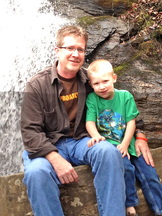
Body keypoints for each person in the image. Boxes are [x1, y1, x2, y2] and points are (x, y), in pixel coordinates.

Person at [21, 25, 156, 216]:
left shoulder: (91, 80)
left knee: (108, 152)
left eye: (80, 49)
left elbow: (122, 103)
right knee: (36, 173)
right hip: (48, 146)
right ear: (57, 50)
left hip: (81, 141)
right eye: (70, 48)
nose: (76, 54)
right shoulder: (37, 85)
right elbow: (29, 132)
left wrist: (140, 135)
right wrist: (55, 158)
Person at [85, 59, 162, 216]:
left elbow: (131, 122)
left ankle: (159, 208)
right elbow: (90, 122)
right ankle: (129, 203)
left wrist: (126, 144)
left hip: (130, 143)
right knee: (125, 168)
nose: (102, 87)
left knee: (150, 174)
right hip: (111, 145)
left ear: (114, 78)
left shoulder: (125, 96)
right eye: (96, 83)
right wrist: (96, 137)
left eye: (105, 81)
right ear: (91, 84)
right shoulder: (92, 99)